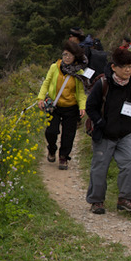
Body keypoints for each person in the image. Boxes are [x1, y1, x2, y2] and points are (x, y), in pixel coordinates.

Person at [85, 47, 131, 214]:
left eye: (130, 66)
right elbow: (90, 107)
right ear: (113, 67)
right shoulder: (103, 83)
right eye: (124, 66)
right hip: (104, 134)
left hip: (125, 134)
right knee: (100, 168)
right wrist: (101, 123)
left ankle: (125, 199)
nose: (128, 70)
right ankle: (96, 201)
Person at [37, 41, 88, 170]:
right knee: (51, 131)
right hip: (55, 106)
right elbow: (46, 83)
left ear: (75, 57)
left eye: (70, 55)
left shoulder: (79, 72)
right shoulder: (55, 67)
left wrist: (82, 107)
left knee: (68, 134)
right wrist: (41, 98)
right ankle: (52, 149)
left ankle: (64, 157)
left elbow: (81, 92)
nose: (67, 58)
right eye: (65, 54)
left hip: (71, 107)